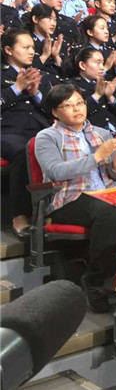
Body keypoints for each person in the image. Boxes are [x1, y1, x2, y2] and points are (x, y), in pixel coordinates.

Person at [36, 85, 116, 311]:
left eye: (80, 103)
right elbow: (55, 172)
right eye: (68, 105)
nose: (77, 109)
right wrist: (97, 156)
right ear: (55, 112)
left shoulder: (101, 133)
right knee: (111, 215)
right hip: (70, 196)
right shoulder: (47, 137)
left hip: (108, 191)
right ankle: (95, 280)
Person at [1, 29, 57, 238]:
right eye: (25, 47)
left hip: (40, 129)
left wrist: (36, 93)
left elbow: (52, 111)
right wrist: (17, 88)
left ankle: (60, 210)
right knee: (25, 150)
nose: (32, 51)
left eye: (33, 47)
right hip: (8, 131)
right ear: (8, 50)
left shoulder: (38, 74)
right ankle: (20, 215)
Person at [63, 46, 116, 131]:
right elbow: (75, 115)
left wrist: (110, 97)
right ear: (82, 65)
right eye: (98, 63)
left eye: (102, 63)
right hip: (92, 134)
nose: (102, 67)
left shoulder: (105, 82)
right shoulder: (70, 86)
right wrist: (97, 95)